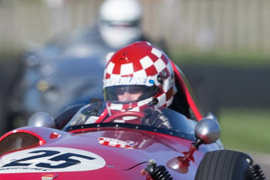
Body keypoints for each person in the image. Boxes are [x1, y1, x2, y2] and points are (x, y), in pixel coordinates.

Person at [72, 41, 205, 129]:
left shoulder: (175, 130)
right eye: (118, 90)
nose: (124, 98)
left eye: (134, 89)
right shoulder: (92, 120)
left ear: (161, 89)